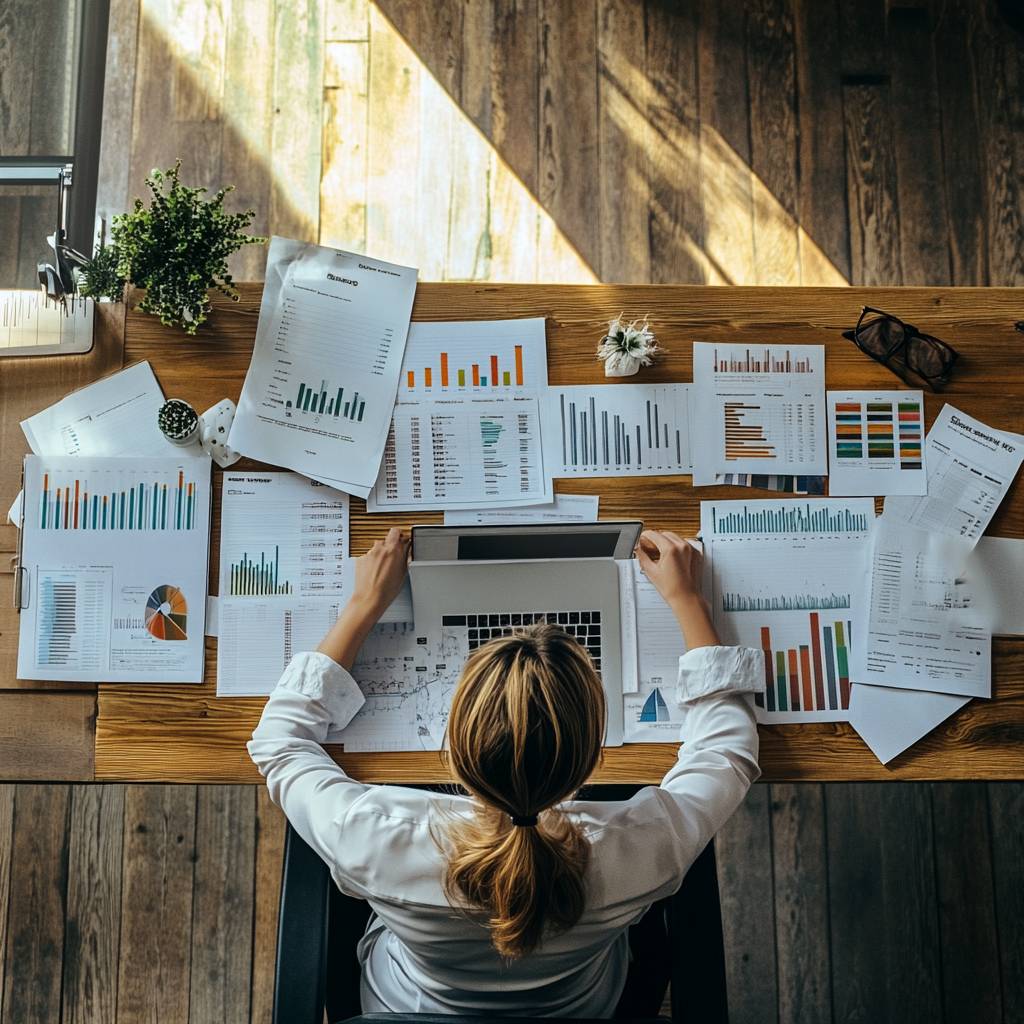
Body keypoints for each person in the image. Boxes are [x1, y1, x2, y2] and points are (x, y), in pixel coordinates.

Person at [249, 526, 764, 1017]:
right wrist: (689, 601)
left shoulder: (373, 835)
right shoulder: (645, 846)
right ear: (592, 763)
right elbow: (727, 755)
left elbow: (279, 743)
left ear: (454, 754)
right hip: (582, 1006)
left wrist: (362, 607)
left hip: (409, 1007)